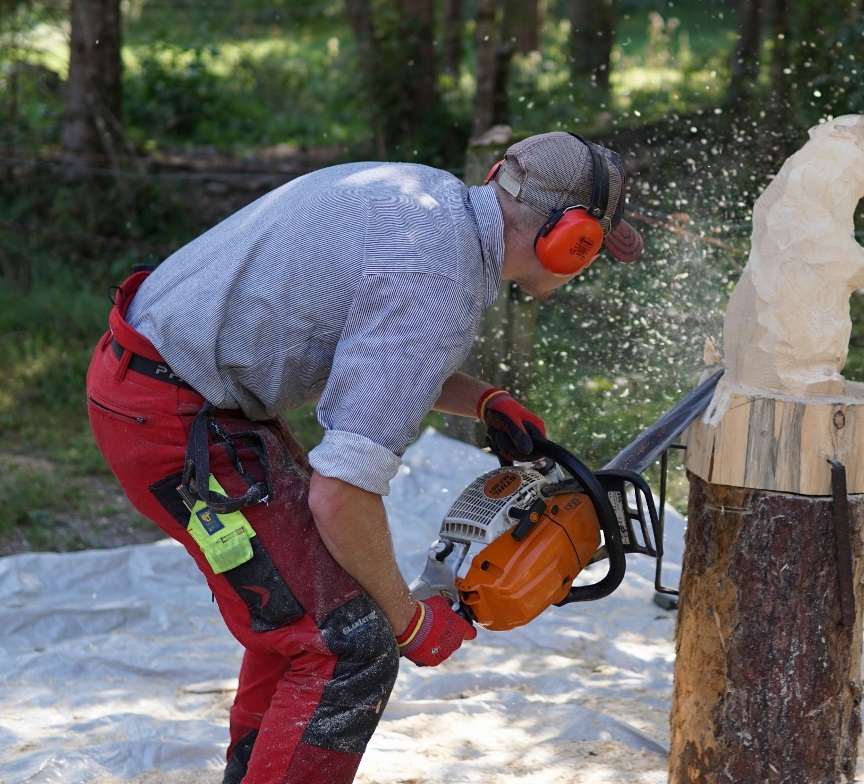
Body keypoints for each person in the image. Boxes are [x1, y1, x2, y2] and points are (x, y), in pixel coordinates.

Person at [84, 131, 643, 784]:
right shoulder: (437, 280)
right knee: (351, 645)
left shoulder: (430, 203)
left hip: (172, 385)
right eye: (594, 248)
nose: (590, 261)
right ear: (569, 238)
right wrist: (408, 623)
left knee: (304, 618)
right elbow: (341, 490)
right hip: (172, 421)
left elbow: (377, 345)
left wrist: (483, 400)